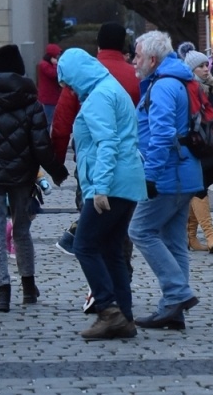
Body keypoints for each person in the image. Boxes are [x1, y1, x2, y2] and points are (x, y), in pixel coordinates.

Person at [0, 44, 65, 311]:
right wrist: (57, 170)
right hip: (22, 175)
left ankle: (2, 291)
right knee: (21, 230)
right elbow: (41, 145)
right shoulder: (32, 102)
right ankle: (29, 286)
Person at [57, 48, 147, 341]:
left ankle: (109, 311)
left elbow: (107, 143)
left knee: (84, 246)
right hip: (127, 182)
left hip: (112, 185)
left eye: (68, 82)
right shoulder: (111, 88)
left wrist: (99, 188)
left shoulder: (98, 97)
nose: (68, 89)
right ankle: (125, 316)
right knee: (111, 250)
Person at [130, 31, 203, 330]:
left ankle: (178, 293)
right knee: (174, 242)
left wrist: (149, 177)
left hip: (169, 175)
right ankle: (172, 310)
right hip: (184, 172)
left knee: (140, 230)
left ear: (151, 58)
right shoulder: (177, 80)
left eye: (136, 56)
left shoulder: (162, 86)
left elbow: (161, 136)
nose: (133, 61)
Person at [182, 51, 213, 254]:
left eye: (206, 65)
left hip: (211, 142)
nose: (206, 69)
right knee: (199, 187)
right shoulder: (191, 89)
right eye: (201, 67)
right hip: (197, 144)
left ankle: (190, 236)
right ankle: (210, 234)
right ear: (191, 70)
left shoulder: (212, 87)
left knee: (200, 185)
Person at [36, 43, 63, 127]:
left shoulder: (45, 64)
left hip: (52, 97)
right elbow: (54, 74)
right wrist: (55, 65)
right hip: (48, 98)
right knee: (49, 120)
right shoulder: (44, 64)